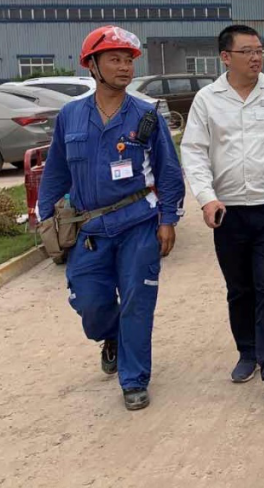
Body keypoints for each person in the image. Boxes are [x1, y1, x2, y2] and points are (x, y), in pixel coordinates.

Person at [38, 26, 185, 411]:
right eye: (114, 60)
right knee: (89, 303)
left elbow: (169, 172)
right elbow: (55, 171)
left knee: (137, 302)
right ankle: (112, 335)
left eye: (128, 61)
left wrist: (168, 219)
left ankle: (134, 380)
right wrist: (45, 217)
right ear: (92, 66)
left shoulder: (145, 115)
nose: (124, 68)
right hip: (89, 229)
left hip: (138, 224)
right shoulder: (70, 116)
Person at [181, 25, 264, 396]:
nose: (256, 58)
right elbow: (194, 151)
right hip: (228, 210)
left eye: (259, 51)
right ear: (226, 57)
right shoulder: (207, 99)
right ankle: (248, 352)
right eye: (247, 51)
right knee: (240, 288)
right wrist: (206, 198)